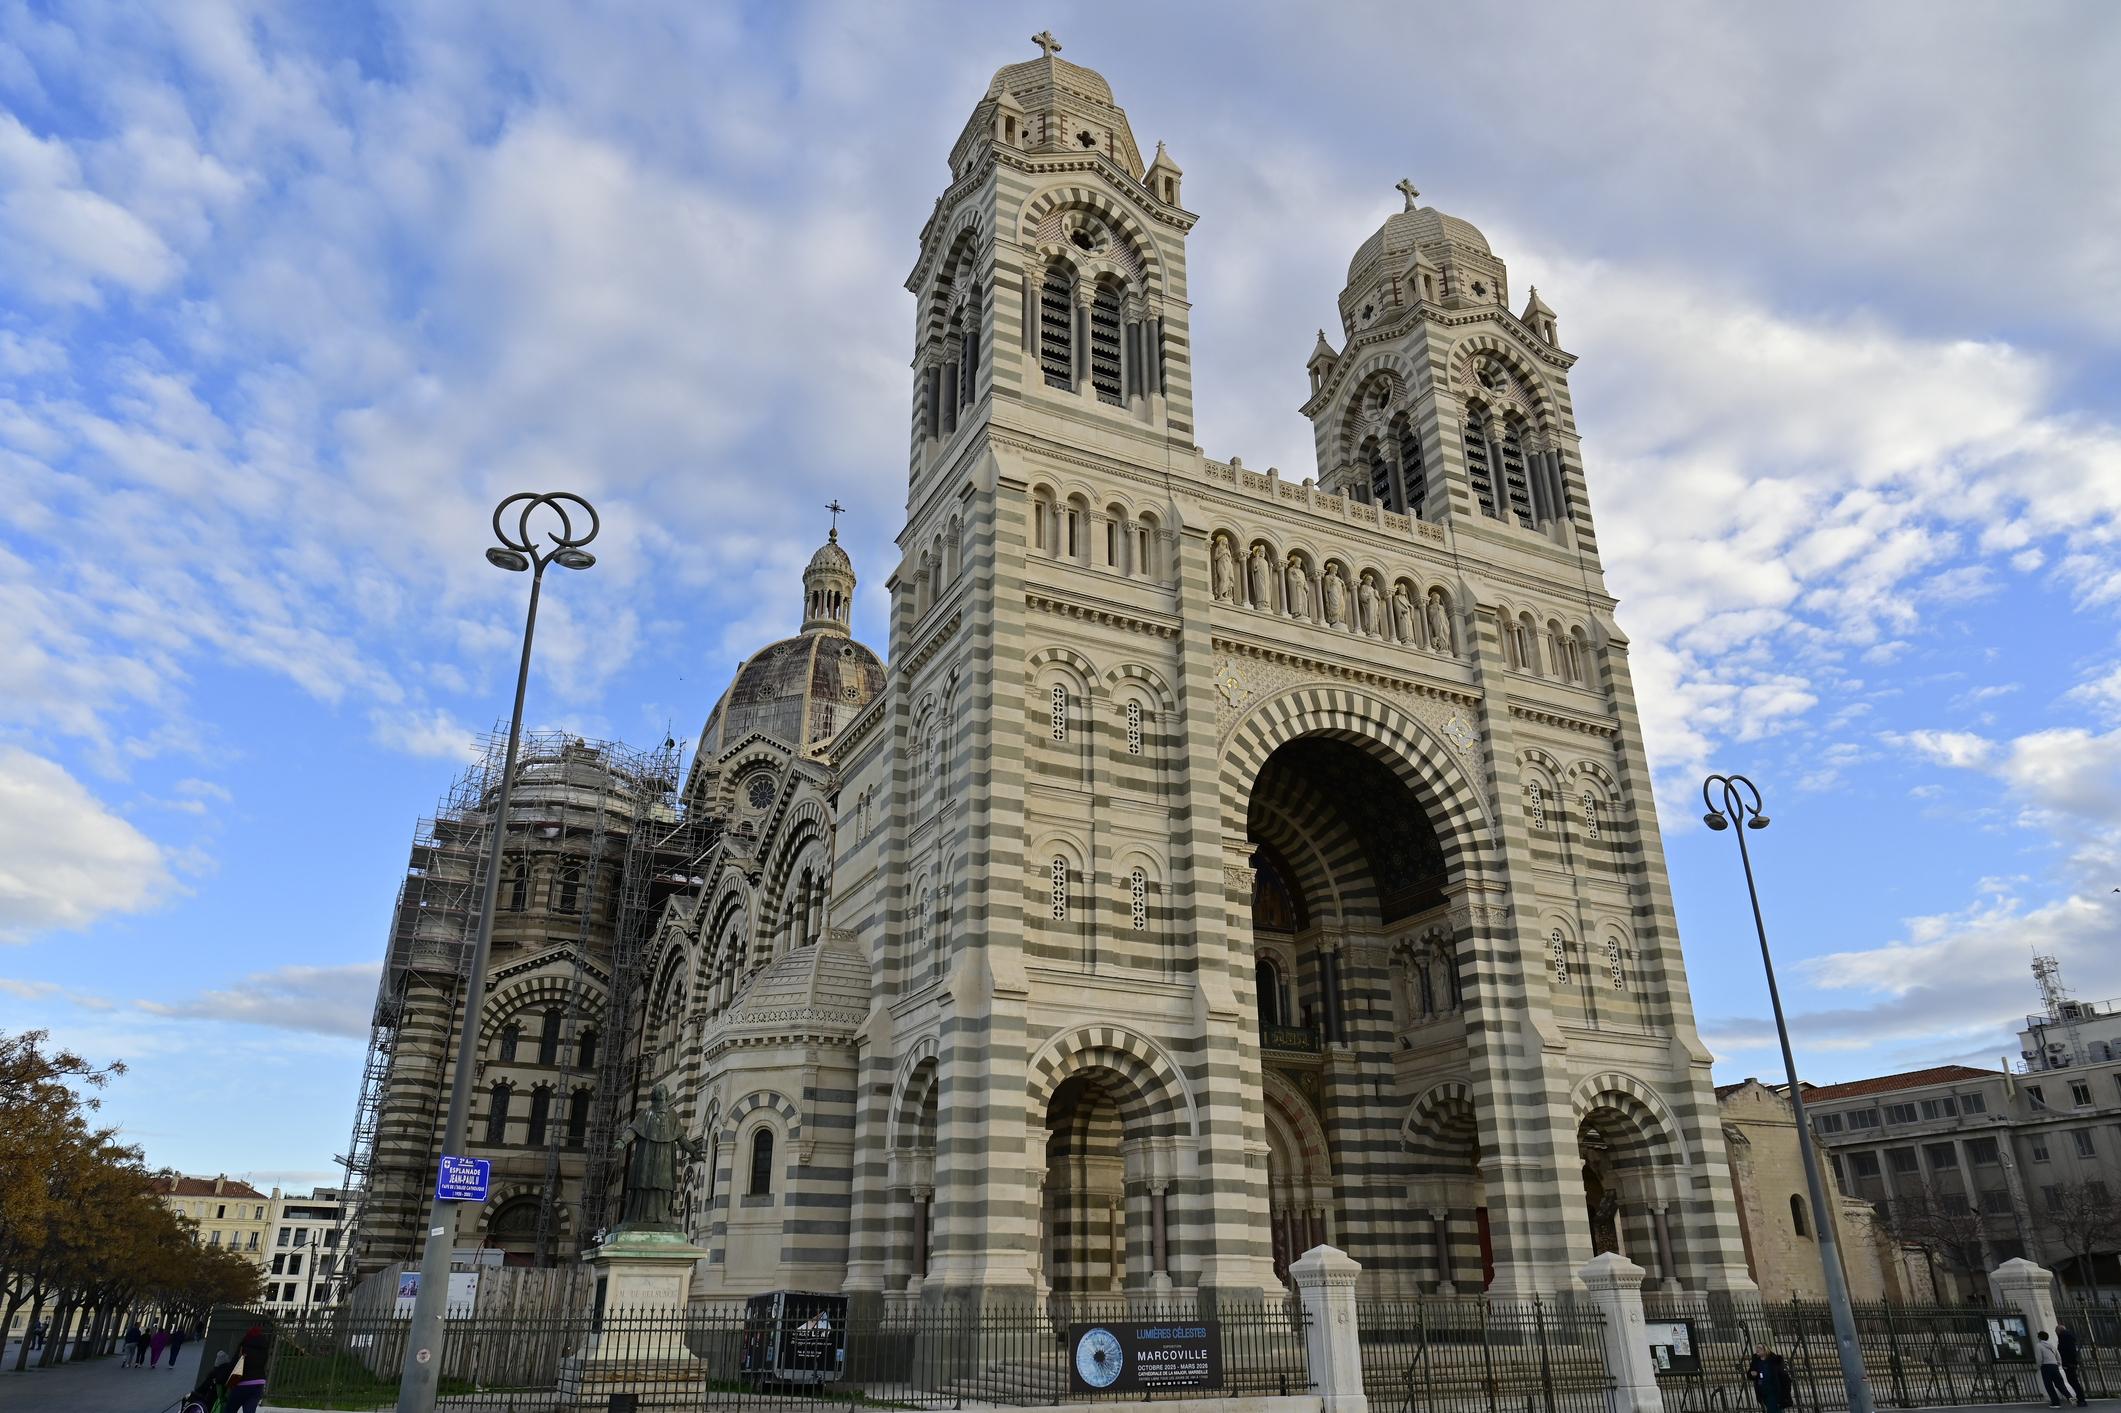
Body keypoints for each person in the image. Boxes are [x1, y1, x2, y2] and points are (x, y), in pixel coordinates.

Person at [225, 1322, 271, 1413]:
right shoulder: (264, 1349)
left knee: (229, 1409)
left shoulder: (244, 1346)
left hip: (243, 1383)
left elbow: (235, 1363)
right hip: (259, 1383)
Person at [1747, 1344, 1795, 1413]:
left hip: (1773, 1390)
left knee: (1773, 1408)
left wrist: (1786, 1391)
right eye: (1756, 1347)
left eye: (1759, 1348)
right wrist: (1752, 1374)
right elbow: (1750, 1374)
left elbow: (1784, 1376)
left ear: (1765, 1349)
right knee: (1774, 1409)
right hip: (1762, 1390)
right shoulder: (1756, 1361)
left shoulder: (1775, 1360)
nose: (1757, 1349)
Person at [2039, 1331, 2076, 1408]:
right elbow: (2058, 1354)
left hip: (2046, 1366)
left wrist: (2039, 1365)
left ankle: (2055, 1402)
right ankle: (2069, 1396)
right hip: (2054, 1365)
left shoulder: (2039, 1345)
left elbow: (2039, 1357)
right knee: (2060, 1383)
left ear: (2039, 1337)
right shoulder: (2052, 1345)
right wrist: (2058, 1363)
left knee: (2049, 1385)